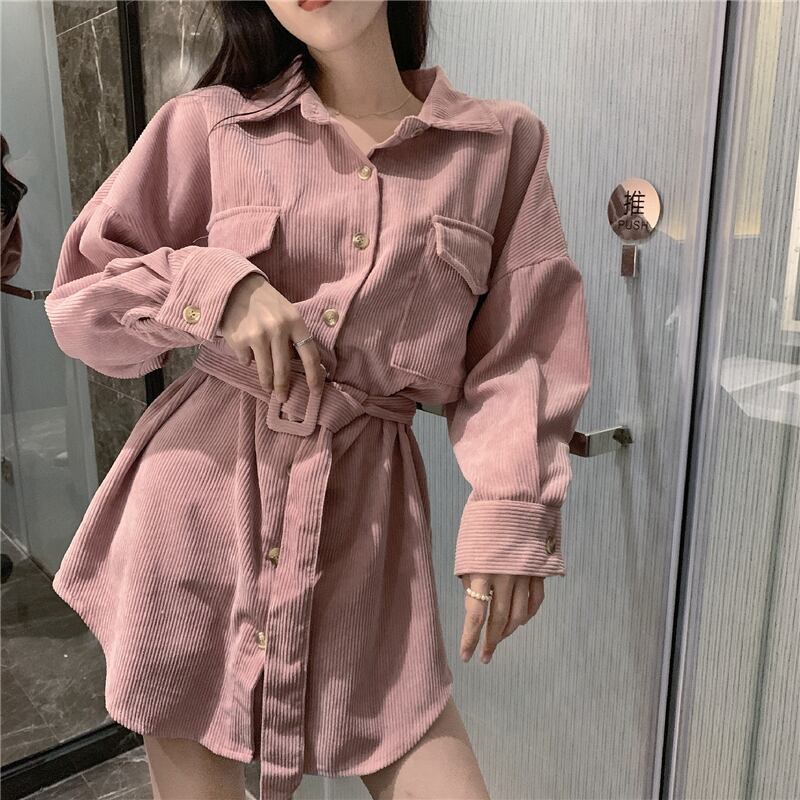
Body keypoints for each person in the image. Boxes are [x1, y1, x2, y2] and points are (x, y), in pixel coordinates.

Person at [44, 2, 592, 799]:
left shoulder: (499, 147)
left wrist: (513, 507)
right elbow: (81, 301)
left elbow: (522, 351)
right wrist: (215, 289)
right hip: (197, 510)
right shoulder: (209, 127)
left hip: (368, 528)